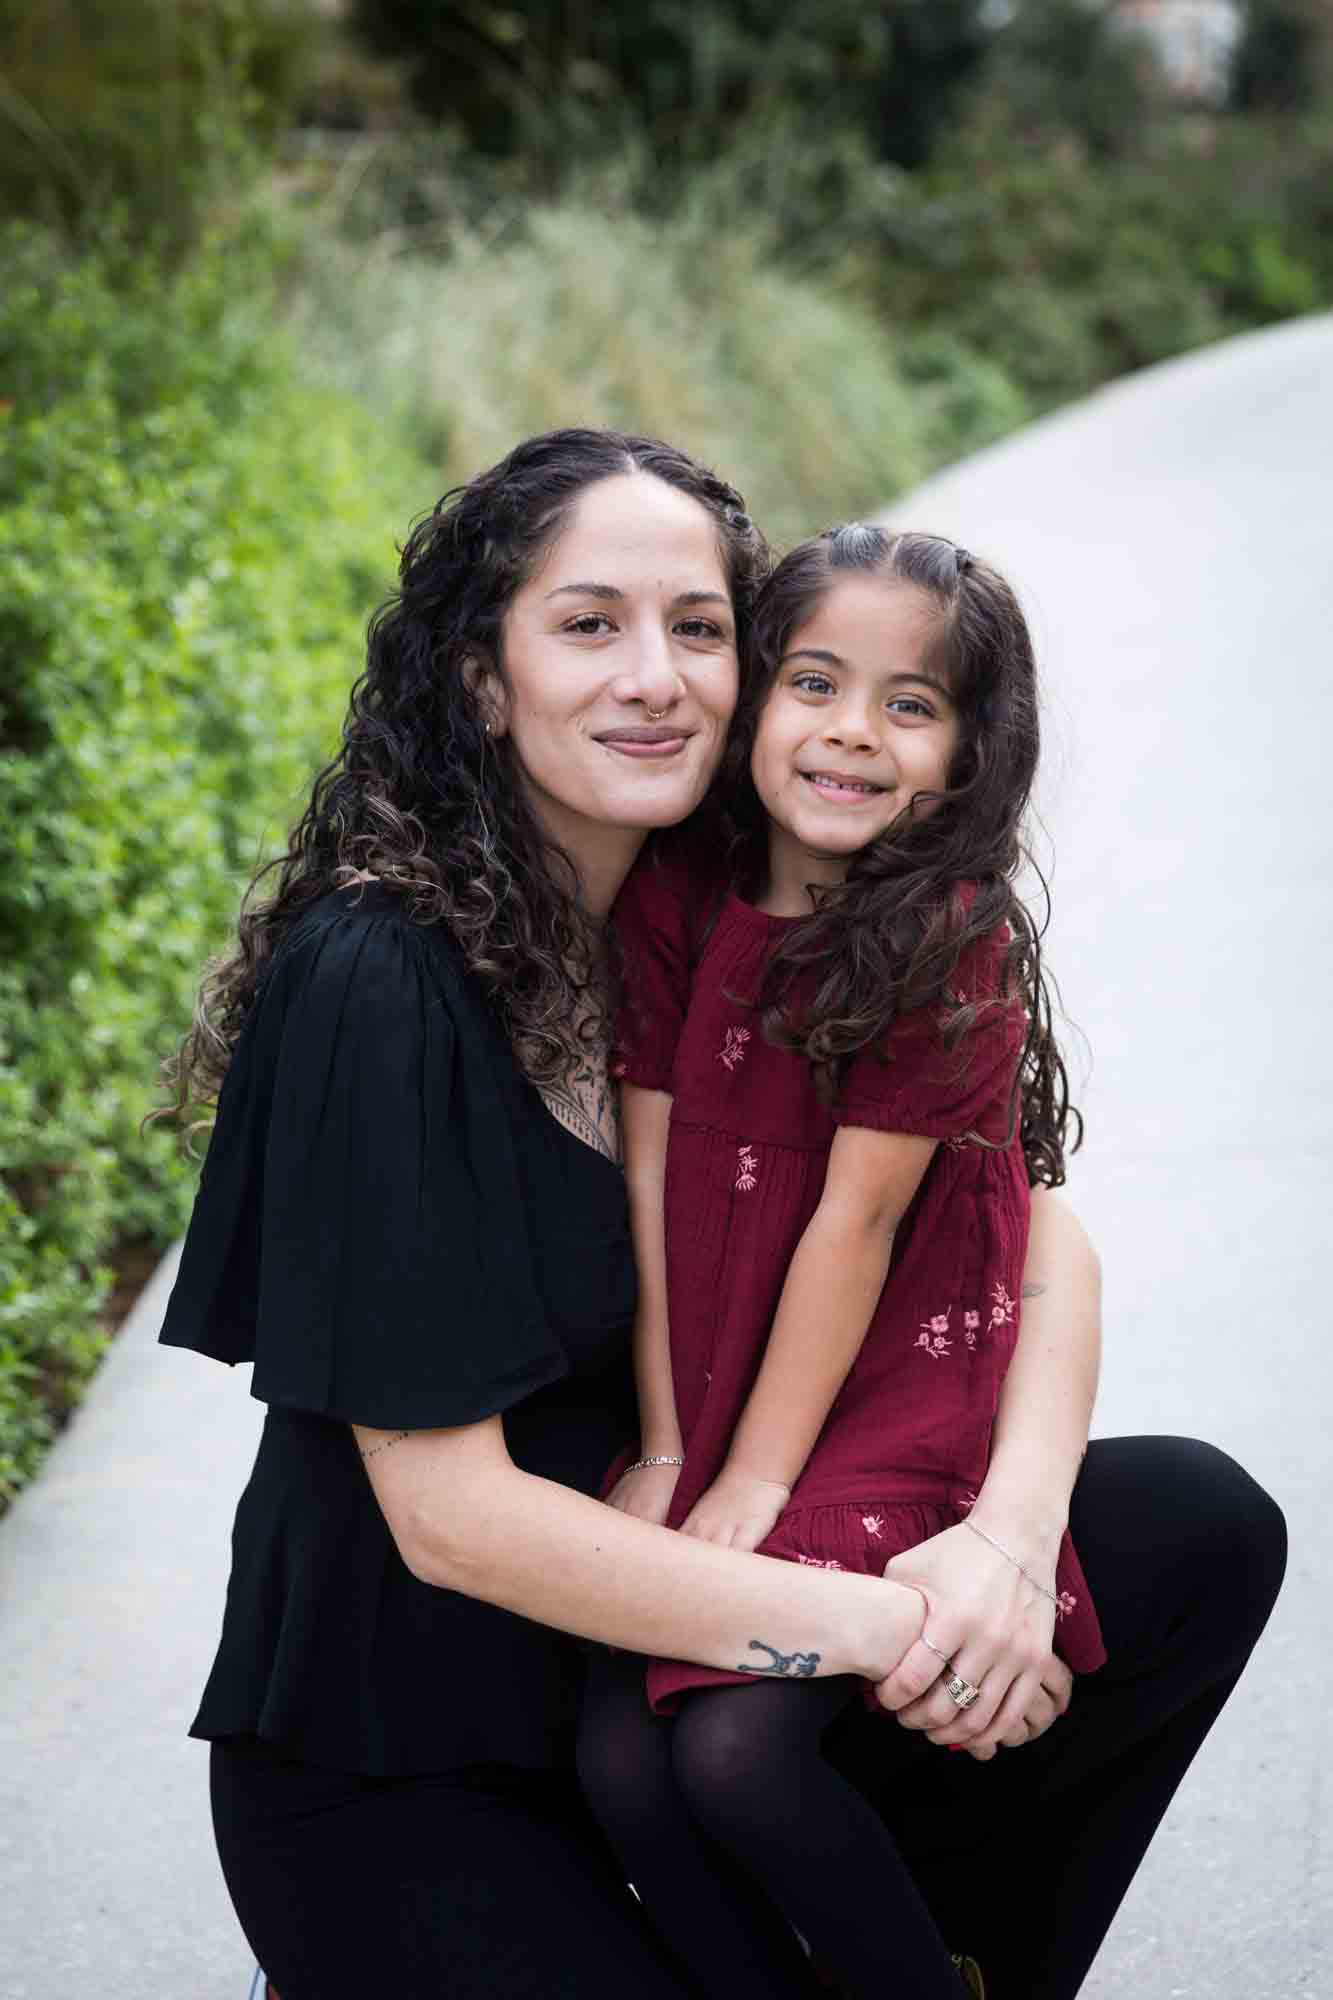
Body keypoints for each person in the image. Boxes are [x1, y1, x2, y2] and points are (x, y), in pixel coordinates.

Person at [156, 430, 1283, 2000]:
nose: (653, 676)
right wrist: (893, 1629)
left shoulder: (744, 898)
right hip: (420, 1756)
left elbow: (1032, 1230)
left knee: (1192, 1527)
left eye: (696, 628)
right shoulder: (382, 979)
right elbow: (450, 1517)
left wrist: (1007, 1555)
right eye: (585, 623)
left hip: (667, 1672)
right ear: (482, 678)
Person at [579, 525, 1105, 1999]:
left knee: (740, 1754)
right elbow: (653, 1164)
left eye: (910, 704)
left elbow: (854, 1226)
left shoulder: (943, 938)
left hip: (890, 1368)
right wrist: (679, 1445)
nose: (851, 734)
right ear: (754, 699)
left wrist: (752, 1481)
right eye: (814, 681)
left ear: (966, 751)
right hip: (719, 1361)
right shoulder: (680, 893)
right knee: (624, 1763)